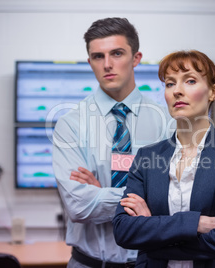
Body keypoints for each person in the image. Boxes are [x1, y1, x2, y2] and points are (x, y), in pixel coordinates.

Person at [113, 50, 215, 267]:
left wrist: (152, 231)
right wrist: (194, 223)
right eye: (170, 83)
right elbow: (123, 231)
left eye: (190, 81)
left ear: (212, 92)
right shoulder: (147, 157)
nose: (177, 91)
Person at [52, 17, 170, 268]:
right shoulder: (70, 125)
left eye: (117, 53)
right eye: (98, 56)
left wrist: (100, 192)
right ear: (90, 62)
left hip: (148, 263)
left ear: (136, 58)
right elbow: (79, 207)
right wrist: (142, 198)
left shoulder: (167, 123)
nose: (107, 65)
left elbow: (176, 199)